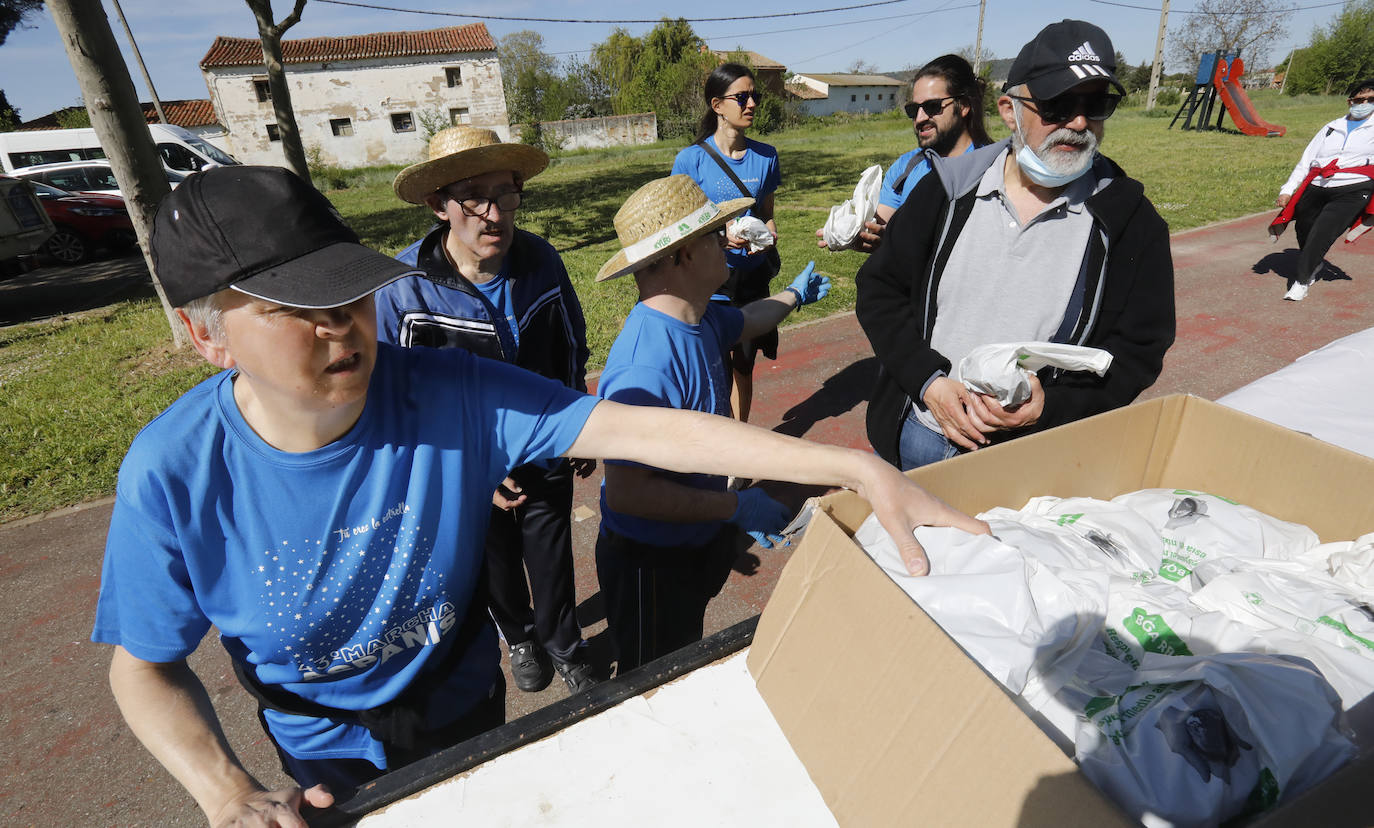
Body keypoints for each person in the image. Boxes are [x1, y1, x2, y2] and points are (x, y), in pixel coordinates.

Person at [91, 166, 984, 826]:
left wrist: (853, 468)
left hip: (465, 695)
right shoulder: (173, 472)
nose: (344, 327)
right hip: (323, 745)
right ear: (204, 334)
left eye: (352, 294)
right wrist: (226, 791)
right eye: (295, 309)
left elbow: (637, 430)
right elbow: (144, 664)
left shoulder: (447, 388)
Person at [856, 19, 1175, 471]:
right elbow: (879, 291)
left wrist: (1053, 407)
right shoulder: (946, 191)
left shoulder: (1130, 221)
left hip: (1032, 458)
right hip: (922, 435)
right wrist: (927, 382)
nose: (1079, 122)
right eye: (1058, 105)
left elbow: (1140, 351)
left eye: (1096, 103)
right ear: (1009, 110)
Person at [375, 126, 598, 696]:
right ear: (438, 206)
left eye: (507, 192)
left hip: (546, 443)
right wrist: (469, 466)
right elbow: (395, 395)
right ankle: (519, 636)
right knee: (490, 553)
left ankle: (563, 644)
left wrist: (577, 420)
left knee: (551, 551)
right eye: (475, 195)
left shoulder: (541, 261)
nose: (494, 213)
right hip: (461, 462)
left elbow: (572, 340)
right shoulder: (405, 291)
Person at [592, 174, 829, 673]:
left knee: (685, 651)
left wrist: (794, 296)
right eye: (714, 234)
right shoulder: (645, 366)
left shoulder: (699, 316)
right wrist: (736, 507)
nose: (728, 239)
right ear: (680, 255)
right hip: (651, 562)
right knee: (654, 679)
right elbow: (627, 494)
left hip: (696, 535)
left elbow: (747, 320)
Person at [670, 62, 781, 422]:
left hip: (751, 280)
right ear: (717, 105)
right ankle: (714, 445)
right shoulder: (690, 160)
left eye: (754, 96)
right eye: (742, 97)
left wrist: (769, 235)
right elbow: (678, 227)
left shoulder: (767, 157)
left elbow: (766, 212)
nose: (751, 104)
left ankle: (740, 446)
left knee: (743, 368)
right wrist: (718, 238)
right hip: (709, 284)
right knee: (711, 368)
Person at [818, 54, 992, 253]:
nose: (919, 118)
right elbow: (880, 224)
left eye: (932, 106)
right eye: (913, 109)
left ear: (964, 106)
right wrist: (853, 232)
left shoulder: (993, 170)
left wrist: (900, 240)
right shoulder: (907, 166)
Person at [1269, 78, 1374, 302]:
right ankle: (1314, 262)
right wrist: (1287, 189)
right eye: (1359, 99)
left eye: (1371, 99)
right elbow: (1306, 160)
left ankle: (1302, 280)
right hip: (1317, 185)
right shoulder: (1331, 127)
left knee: (1322, 233)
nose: (1364, 103)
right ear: (1350, 102)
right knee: (1304, 228)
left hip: (1354, 188)